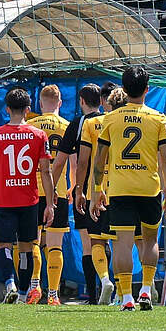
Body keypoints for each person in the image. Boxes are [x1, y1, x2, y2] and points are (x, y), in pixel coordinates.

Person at [90, 67, 166, 311]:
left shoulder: (111, 118)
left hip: (120, 188)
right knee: (149, 241)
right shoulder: (158, 118)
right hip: (149, 188)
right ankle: (146, 290)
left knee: (123, 244)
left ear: (123, 91)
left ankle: (127, 297)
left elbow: (99, 159)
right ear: (147, 89)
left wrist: (96, 191)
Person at [0, 88, 54, 304]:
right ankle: (23, 294)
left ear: (6, 109)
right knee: (26, 248)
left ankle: (10, 284)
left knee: (3, 244)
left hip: (4, 198)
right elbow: (46, 171)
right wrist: (50, 203)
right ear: (28, 110)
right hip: (29, 200)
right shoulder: (38, 135)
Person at [60, 84, 112, 303]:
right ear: (100, 101)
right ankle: (117, 291)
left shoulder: (81, 124)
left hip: (89, 190)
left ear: (81, 101)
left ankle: (93, 294)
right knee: (111, 241)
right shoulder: (110, 120)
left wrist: (74, 188)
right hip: (114, 189)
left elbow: (74, 161)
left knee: (89, 241)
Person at [27, 85, 71, 305]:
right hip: (58, 190)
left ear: (41, 104)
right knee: (55, 244)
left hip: (33, 189)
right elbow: (73, 162)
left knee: (33, 241)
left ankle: (34, 285)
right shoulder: (67, 126)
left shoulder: (30, 126)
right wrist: (75, 188)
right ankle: (53, 294)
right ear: (60, 103)